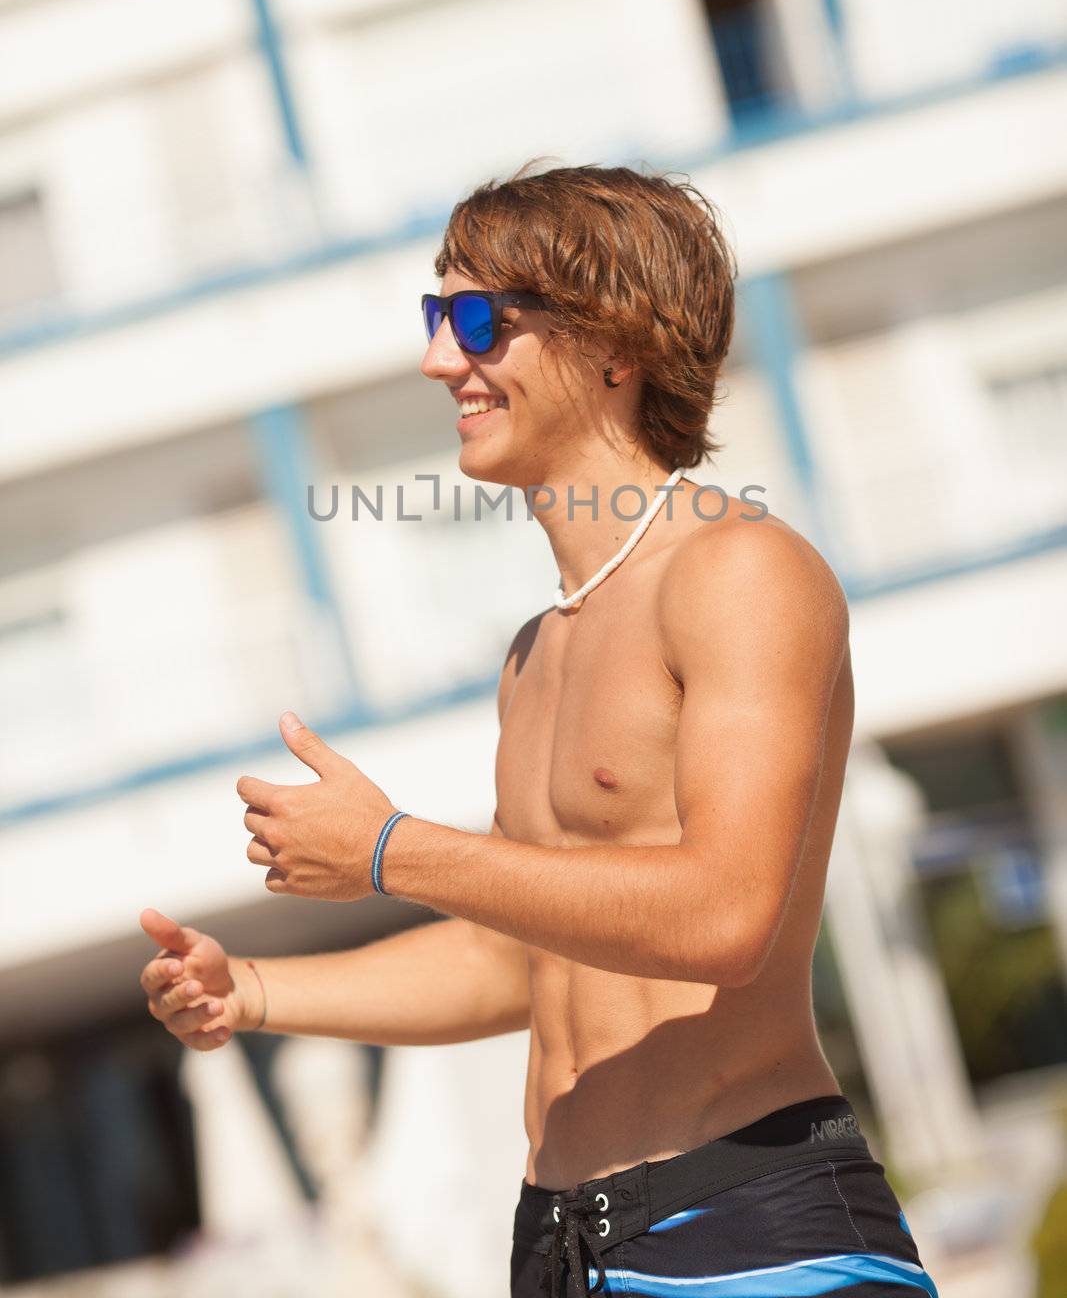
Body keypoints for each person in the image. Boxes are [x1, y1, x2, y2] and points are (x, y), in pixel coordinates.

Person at [140, 164, 939, 1297]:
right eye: (436, 318)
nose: (436, 361)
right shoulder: (539, 649)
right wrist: (257, 994)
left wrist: (388, 849)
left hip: (755, 1234)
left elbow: (726, 914)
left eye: (477, 321)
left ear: (613, 344)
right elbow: (517, 953)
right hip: (560, 1247)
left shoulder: (739, 573)